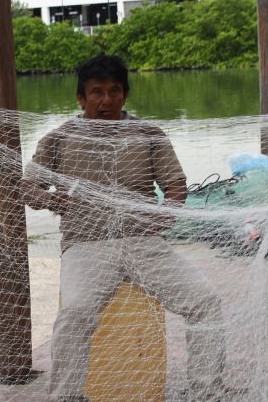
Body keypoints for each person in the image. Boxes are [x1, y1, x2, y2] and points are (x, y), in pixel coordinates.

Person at [23, 54, 230, 401]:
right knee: (73, 314)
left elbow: (175, 184)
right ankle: (65, 397)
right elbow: (27, 187)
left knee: (205, 301)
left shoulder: (149, 134)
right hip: (86, 245)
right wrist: (53, 201)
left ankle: (207, 391)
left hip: (143, 241)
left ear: (126, 95)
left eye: (115, 91)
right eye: (97, 92)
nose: (106, 100)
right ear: (80, 98)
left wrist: (167, 214)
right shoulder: (59, 138)